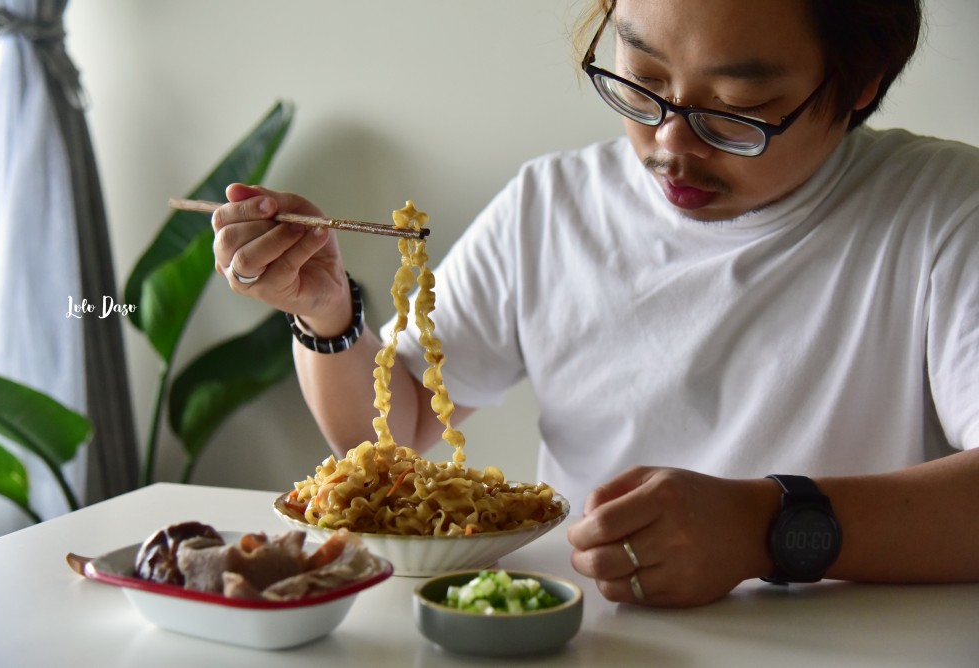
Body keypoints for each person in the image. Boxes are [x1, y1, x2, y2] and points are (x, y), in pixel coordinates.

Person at [211, 0, 979, 608]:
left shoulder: (945, 212)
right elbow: (395, 427)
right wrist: (324, 313)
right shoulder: (552, 207)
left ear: (861, 82)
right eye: (642, 80)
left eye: (738, 109)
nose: (673, 143)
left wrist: (764, 527)